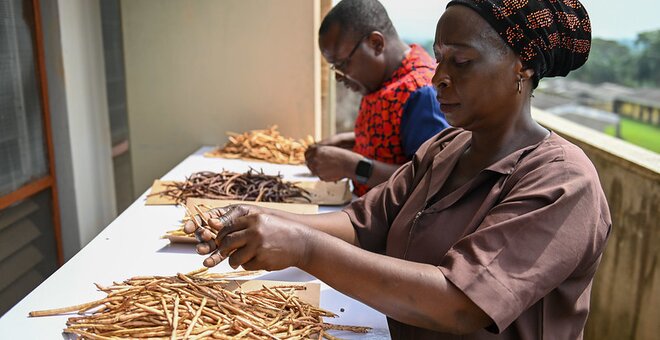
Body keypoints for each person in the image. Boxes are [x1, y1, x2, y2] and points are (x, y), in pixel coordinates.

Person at [185, 0, 611, 338]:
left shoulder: (563, 181)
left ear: (523, 65)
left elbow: (462, 304)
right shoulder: (445, 148)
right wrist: (262, 220)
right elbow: (363, 221)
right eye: (439, 57)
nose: (437, 77)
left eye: (460, 62)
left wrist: (303, 246)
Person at [305, 0, 449, 196]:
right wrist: (352, 142)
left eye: (342, 64)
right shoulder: (381, 81)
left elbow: (430, 181)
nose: (339, 77)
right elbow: (397, 141)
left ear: (376, 43)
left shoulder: (421, 93)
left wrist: (353, 166)